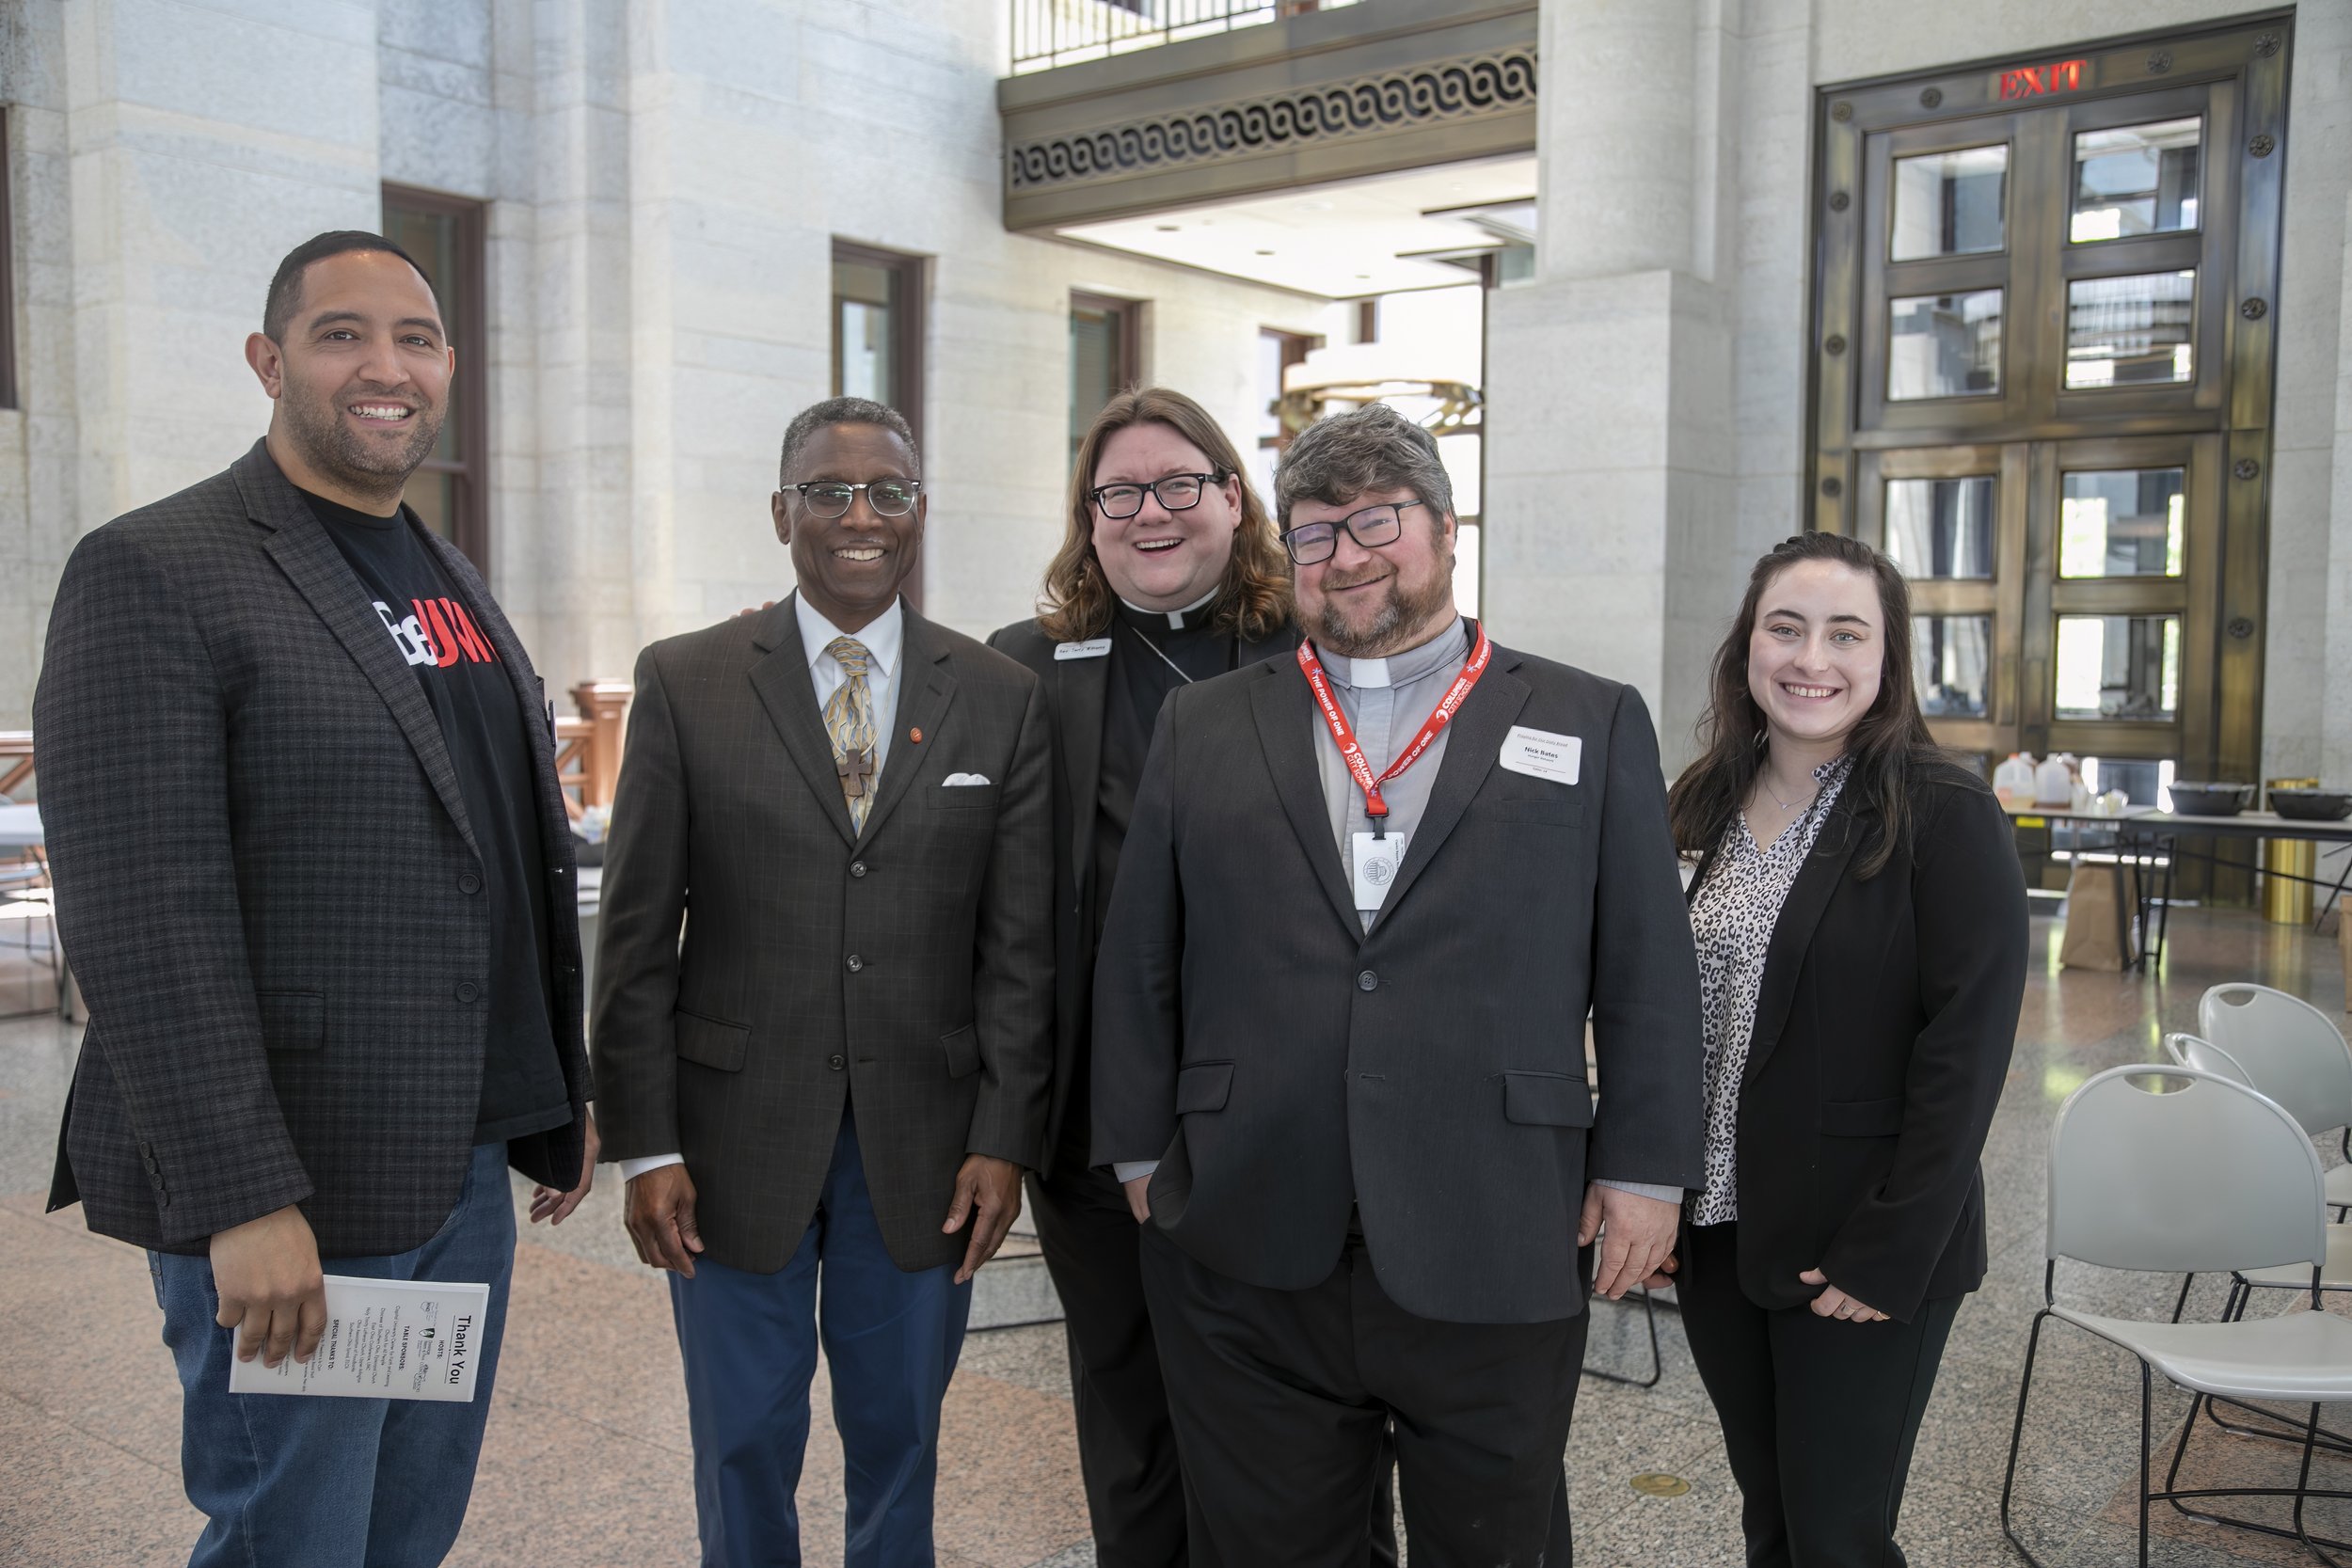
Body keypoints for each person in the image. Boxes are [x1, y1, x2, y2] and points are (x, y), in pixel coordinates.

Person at [35, 230, 596, 1568]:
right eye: (342, 334)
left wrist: (552, 1087)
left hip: (456, 1161)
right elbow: (142, 915)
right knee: (292, 1535)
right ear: (268, 359)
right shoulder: (157, 566)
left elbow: (500, 850)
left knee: (405, 1528)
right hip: (299, 1175)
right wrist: (241, 1196)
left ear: (449, 367)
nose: (384, 366)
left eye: (414, 338)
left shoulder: (444, 573)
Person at [1089, 402, 1705, 1565]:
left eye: (1378, 519)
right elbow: (1139, 957)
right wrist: (1136, 1155)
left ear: (1445, 526)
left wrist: (1642, 1169)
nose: (1346, 555)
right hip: (1249, 1231)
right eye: (1313, 533)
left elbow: (1645, 971)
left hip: (1498, 1221)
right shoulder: (1204, 722)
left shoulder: (1586, 717)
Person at [591, 395, 1054, 1568]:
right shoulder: (688, 681)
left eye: (887, 490)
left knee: (900, 1437)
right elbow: (637, 936)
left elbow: (1018, 948)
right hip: (728, 1140)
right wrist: (645, 1144)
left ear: (918, 510)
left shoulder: (997, 694)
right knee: (741, 1437)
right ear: (781, 512)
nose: (860, 515)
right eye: (829, 491)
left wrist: (1005, 1135)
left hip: (926, 1146)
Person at [990, 388, 1396, 1566]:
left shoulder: (1318, 651)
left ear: (1233, 497)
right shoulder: (1024, 667)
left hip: (1285, 1119)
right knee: (1127, 1416)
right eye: (1118, 492)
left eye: (1179, 483)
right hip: (1093, 1125)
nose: (1149, 512)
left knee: (1305, 1431)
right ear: (1087, 516)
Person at [1662, 531, 2026, 1568]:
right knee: (1770, 1513)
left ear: (1884, 659)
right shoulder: (1698, 801)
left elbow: (1967, 1049)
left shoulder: (1942, 812)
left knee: (1837, 1534)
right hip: (1722, 1230)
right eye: (1785, 628)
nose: (1810, 658)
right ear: (1746, 649)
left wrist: (1892, 1245)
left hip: (1857, 1238)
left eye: (1843, 633)